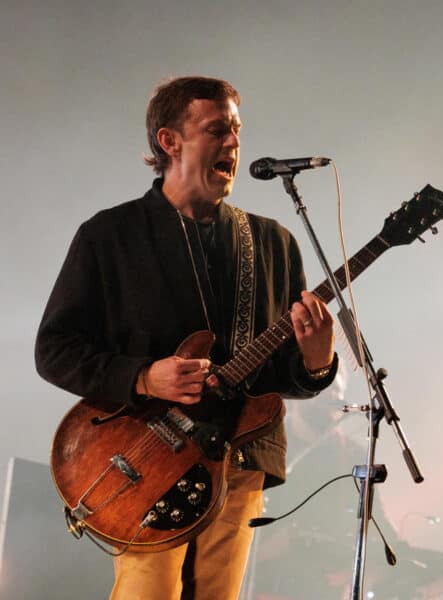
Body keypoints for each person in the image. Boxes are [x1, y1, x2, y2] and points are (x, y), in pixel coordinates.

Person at [35, 76, 337, 600]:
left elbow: (278, 376)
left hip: (240, 459)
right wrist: (144, 376)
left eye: (236, 130)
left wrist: (315, 363)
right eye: (216, 129)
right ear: (168, 141)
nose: (233, 144)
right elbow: (55, 349)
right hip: (146, 457)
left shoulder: (271, 242)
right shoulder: (110, 236)